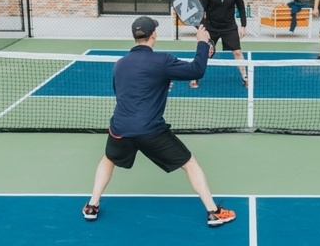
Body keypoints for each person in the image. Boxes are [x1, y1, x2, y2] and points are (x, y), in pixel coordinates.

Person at [83, 16, 236, 228]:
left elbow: (124, 93)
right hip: (150, 131)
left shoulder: (119, 64)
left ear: (135, 37)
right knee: (189, 163)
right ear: (154, 34)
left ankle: (92, 205)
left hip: (120, 129)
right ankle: (213, 211)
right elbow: (196, 70)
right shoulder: (162, 60)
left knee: (108, 159)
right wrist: (202, 43)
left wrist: (159, 84)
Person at [189, 0, 249, 88]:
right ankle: (194, 77)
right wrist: (203, 28)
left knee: (237, 52)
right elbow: (200, 11)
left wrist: (243, 26)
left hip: (229, 27)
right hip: (211, 27)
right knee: (204, 52)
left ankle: (245, 77)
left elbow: (242, 8)